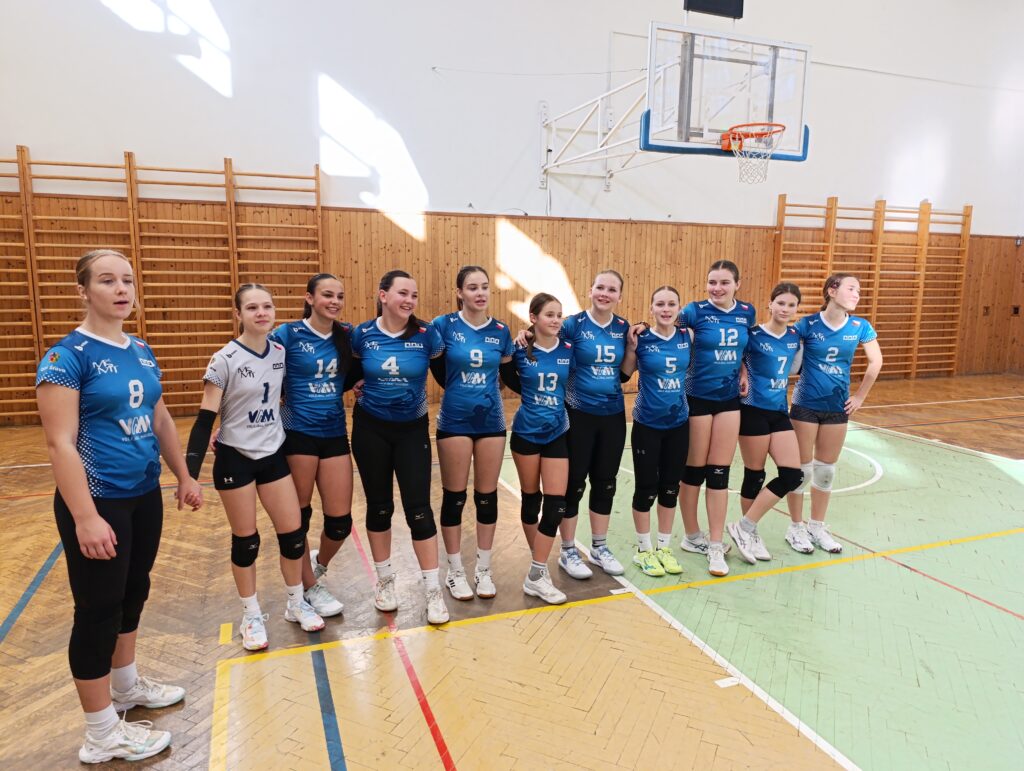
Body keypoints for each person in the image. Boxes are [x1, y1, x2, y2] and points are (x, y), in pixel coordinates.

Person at [36, 249, 203, 764]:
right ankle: (101, 733)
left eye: (127, 280)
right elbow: (60, 444)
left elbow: (161, 418)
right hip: (98, 499)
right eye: (107, 280)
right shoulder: (67, 358)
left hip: (142, 495)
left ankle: (125, 688)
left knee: (133, 593)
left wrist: (183, 476)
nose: (121, 289)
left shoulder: (142, 350)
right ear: (83, 290)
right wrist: (86, 517)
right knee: (97, 611)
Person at [186, 283, 325, 653]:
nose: (261, 313)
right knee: (246, 541)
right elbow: (204, 420)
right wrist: (189, 475)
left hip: (273, 452)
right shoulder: (224, 359)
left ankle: (296, 603)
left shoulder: (280, 351)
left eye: (267, 306)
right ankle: (250, 615)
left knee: (293, 534)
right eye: (252, 308)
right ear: (238, 314)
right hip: (236, 457)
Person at [348, 270, 449, 625]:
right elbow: (348, 373)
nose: (409, 300)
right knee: (379, 507)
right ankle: (385, 581)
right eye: (403, 293)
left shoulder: (427, 335)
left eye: (414, 295)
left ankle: (432, 589)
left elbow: (445, 373)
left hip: (412, 430)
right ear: (383, 295)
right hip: (370, 429)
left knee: (419, 508)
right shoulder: (361, 335)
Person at [270, 273, 357, 619]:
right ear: (309, 298)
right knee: (299, 519)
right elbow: (260, 372)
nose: (334, 302)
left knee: (340, 523)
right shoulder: (287, 334)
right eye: (327, 295)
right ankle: (308, 586)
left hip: (334, 432)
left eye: (340, 296)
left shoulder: (347, 334)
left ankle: (316, 567)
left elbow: (361, 365)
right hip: (298, 433)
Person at [430, 265, 513, 600]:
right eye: (472, 287)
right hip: (454, 421)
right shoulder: (443, 325)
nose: (480, 293)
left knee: (486, 497)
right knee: (455, 497)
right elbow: (437, 368)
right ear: (459, 292)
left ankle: (483, 569)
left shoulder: (502, 331)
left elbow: (506, 375)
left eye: (485, 287)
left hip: (491, 421)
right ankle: (454, 571)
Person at [785, 274, 883, 553]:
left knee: (826, 471)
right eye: (851, 288)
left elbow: (876, 361)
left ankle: (817, 526)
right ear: (832, 291)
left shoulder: (860, 326)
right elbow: (787, 358)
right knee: (801, 471)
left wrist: (860, 396)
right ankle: (796, 527)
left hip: (837, 407)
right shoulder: (807, 325)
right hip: (805, 405)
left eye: (859, 290)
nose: (857, 294)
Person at [679, 260, 756, 577]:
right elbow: (668, 336)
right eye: (712, 282)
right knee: (694, 471)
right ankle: (691, 535)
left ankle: (714, 544)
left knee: (720, 472)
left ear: (737, 284)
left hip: (729, 399)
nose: (717, 288)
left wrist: (744, 371)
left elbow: (744, 350)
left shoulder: (747, 312)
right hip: (696, 397)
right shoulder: (693, 311)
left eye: (724, 282)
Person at [500, 293, 574, 605]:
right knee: (532, 501)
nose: (556, 320)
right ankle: (539, 568)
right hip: (526, 433)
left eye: (559, 315)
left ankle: (536, 572)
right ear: (533, 318)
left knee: (556, 505)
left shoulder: (569, 349)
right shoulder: (519, 349)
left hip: (557, 432)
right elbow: (507, 378)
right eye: (549, 315)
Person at [725, 282, 806, 562]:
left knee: (793, 475)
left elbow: (794, 368)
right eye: (780, 303)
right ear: (770, 304)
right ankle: (752, 534)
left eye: (791, 305)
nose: (785, 309)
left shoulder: (795, 337)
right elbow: (734, 358)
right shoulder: (753, 334)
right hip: (752, 410)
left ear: (796, 309)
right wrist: (743, 372)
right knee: (755, 474)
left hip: (779, 410)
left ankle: (744, 527)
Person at [619, 286, 691, 577]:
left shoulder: (688, 336)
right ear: (651, 309)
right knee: (646, 488)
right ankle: (644, 550)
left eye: (671, 304)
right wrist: (630, 347)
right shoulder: (642, 339)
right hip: (647, 425)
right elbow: (624, 374)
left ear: (679, 308)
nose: (666, 309)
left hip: (679, 424)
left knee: (670, 488)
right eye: (660, 304)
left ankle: (664, 547)